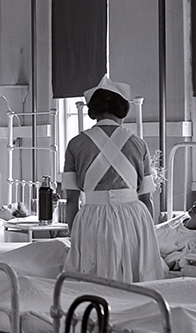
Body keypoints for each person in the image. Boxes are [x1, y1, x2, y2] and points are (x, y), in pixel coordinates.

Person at [62, 75, 165, 282]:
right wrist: (149, 235)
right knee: (136, 275)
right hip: (133, 217)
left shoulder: (76, 144)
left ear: (94, 110)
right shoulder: (138, 144)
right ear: (122, 110)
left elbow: (71, 199)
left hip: (92, 217)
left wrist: (74, 234)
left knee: (92, 275)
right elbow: (146, 198)